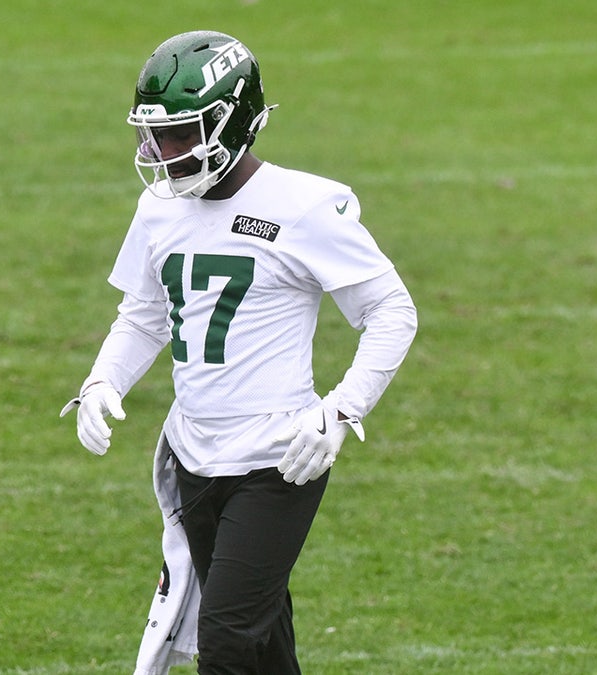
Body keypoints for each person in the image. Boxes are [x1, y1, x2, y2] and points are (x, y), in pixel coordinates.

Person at [62, 30, 417, 674]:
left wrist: (341, 411)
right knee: (261, 639)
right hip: (193, 454)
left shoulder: (302, 207)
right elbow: (144, 314)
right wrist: (101, 379)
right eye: (152, 135)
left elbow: (391, 310)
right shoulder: (158, 208)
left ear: (232, 123)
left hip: (277, 457)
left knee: (224, 640)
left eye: (179, 134)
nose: (161, 153)